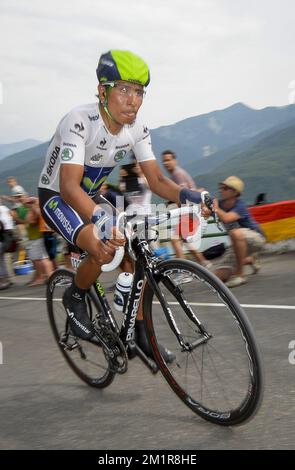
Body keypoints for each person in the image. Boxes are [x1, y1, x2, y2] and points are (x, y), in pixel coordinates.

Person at [38, 49, 207, 361]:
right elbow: (69, 187)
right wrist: (102, 221)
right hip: (59, 196)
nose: (133, 100)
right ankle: (74, 297)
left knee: (137, 251)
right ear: (103, 91)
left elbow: (157, 181)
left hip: (89, 195)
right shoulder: (79, 121)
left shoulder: (138, 130)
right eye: (124, 89)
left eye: (139, 91)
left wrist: (191, 196)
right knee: (101, 248)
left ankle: (141, 333)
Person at [213, 176, 265, 287]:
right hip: (237, 243)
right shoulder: (219, 204)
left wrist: (215, 208)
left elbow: (227, 218)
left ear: (235, 192)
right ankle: (250, 259)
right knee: (216, 278)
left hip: (256, 239)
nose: (221, 190)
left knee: (235, 233)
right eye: (221, 188)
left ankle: (240, 276)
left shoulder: (240, 205)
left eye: (225, 188)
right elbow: (207, 210)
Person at [161, 150, 211, 267]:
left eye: (168, 160)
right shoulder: (176, 174)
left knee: (175, 239)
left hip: (189, 211)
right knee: (185, 238)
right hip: (191, 210)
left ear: (175, 161)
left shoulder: (177, 174)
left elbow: (184, 195)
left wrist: (173, 203)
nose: (166, 163)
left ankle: (184, 271)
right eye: (164, 161)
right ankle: (204, 262)